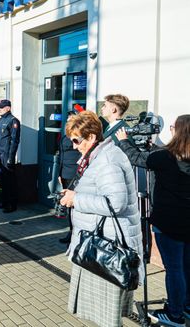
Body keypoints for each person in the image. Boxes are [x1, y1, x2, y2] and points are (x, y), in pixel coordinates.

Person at [60, 111, 143, 327]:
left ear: (91, 137)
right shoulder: (98, 155)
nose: (74, 146)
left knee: (107, 317)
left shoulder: (107, 160)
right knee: (102, 315)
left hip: (106, 248)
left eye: (76, 140)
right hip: (99, 244)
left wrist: (76, 199)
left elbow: (116, 203)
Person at [117, 115, 190, 326]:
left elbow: (137, 159)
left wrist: (124, 141)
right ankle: (186, 306)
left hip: (168, 224)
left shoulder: (165, 157)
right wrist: (151, 148)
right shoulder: (166, 155)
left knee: (174, 269)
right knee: (187, 267)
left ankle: (174, 315)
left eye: (172, 127)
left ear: (178, 131)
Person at [0, 99, 21, 213]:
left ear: (8, 108)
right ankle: (4, 201)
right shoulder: (1, 119)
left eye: (1, 108)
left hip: (6, 154)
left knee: (9, 180)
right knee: (2, 179)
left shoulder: (13, 121)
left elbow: (14, 141)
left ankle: (11, 204)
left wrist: (10, 157)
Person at [58, 110, 81, 243]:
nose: (68, 122)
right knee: (69, 207)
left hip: (74, 174)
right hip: (65, 173)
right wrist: (59, 173)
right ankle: (71, 231)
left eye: (71, 119)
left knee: (74, 206)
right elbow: (61, 156)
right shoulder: (66, 135)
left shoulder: (79, 135)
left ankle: (75, 234)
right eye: (67, 120)